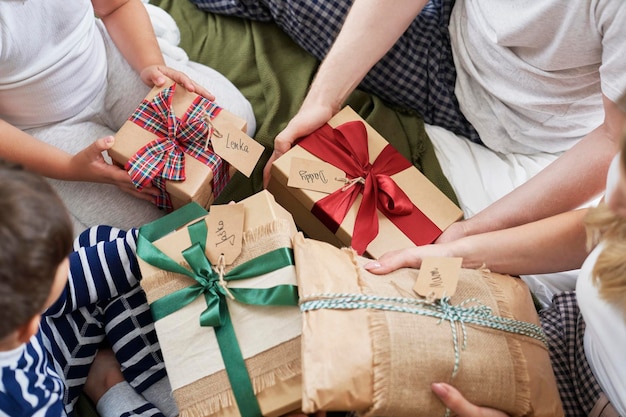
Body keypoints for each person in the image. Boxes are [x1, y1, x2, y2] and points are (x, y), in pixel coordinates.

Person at [191, 0, 626, 301]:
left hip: (486, 107)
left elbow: (612, 142)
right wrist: (323, 99)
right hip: (452, 20)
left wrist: (469, 234)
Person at [361, 121, 626, 416]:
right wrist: (453, 252)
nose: (612, 194)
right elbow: (600, 229)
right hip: (570, 332)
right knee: (372, 357)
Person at [0, 0, 256, 236]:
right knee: (155, 233)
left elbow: (116, 6)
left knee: (238, 126)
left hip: (113, 63)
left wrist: (151, 66)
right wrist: (70, 168)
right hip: (44, 129)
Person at [0, 159, 177, 416]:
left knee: (99, 244)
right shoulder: (32, 403)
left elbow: (67, 281)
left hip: (33, 342)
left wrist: (168, 243)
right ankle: (110, 386)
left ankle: (109, 373)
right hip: (54, 388)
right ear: (28, 326)